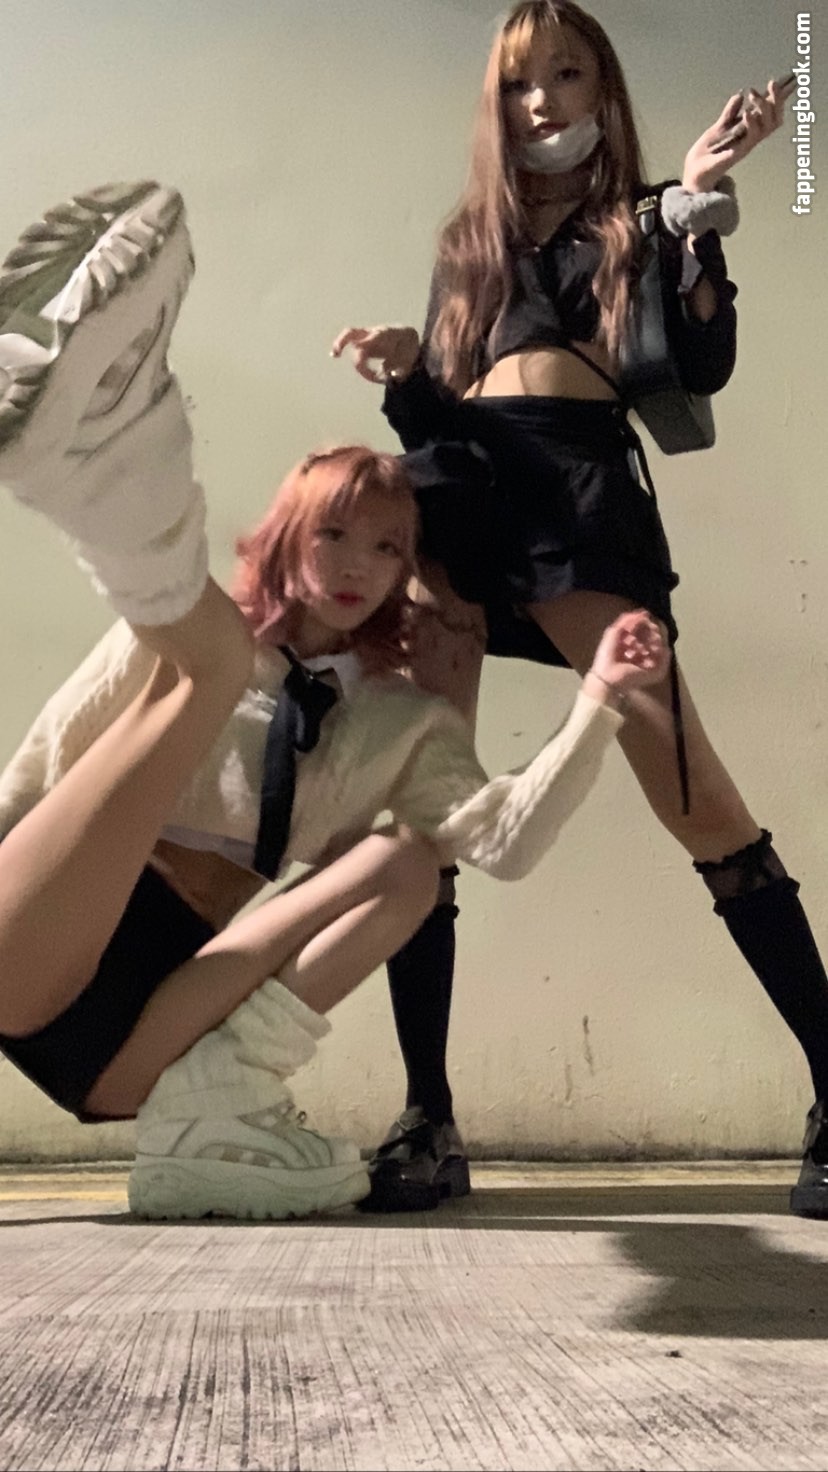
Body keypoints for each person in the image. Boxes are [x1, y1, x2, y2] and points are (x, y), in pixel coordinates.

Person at [0, 177, 667, 1222]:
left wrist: (601, 700)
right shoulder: (184, 638)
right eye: (335, 533)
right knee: (208, 653)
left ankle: (222, 1100)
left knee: (408, 858)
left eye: (389, 546)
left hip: (136, 1046)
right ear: (287, 535)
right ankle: (107, 451)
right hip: (23, 948)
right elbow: (39, 775)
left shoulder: (398, 719)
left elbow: (504, 842)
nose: (360, 564)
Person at [333, 0, 828, 1220]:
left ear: (603, 89)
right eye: (520, 81)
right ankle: (429, 1114)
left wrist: (697, 221)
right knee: (426, 802)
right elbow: (440, 412)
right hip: (456, 497)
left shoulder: (642, 221)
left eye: (566, 74)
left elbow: (697, 368)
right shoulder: (467, 242)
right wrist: (407, 372)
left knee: (696, 798)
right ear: (496, 104)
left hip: (577, 494)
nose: (542, 99)